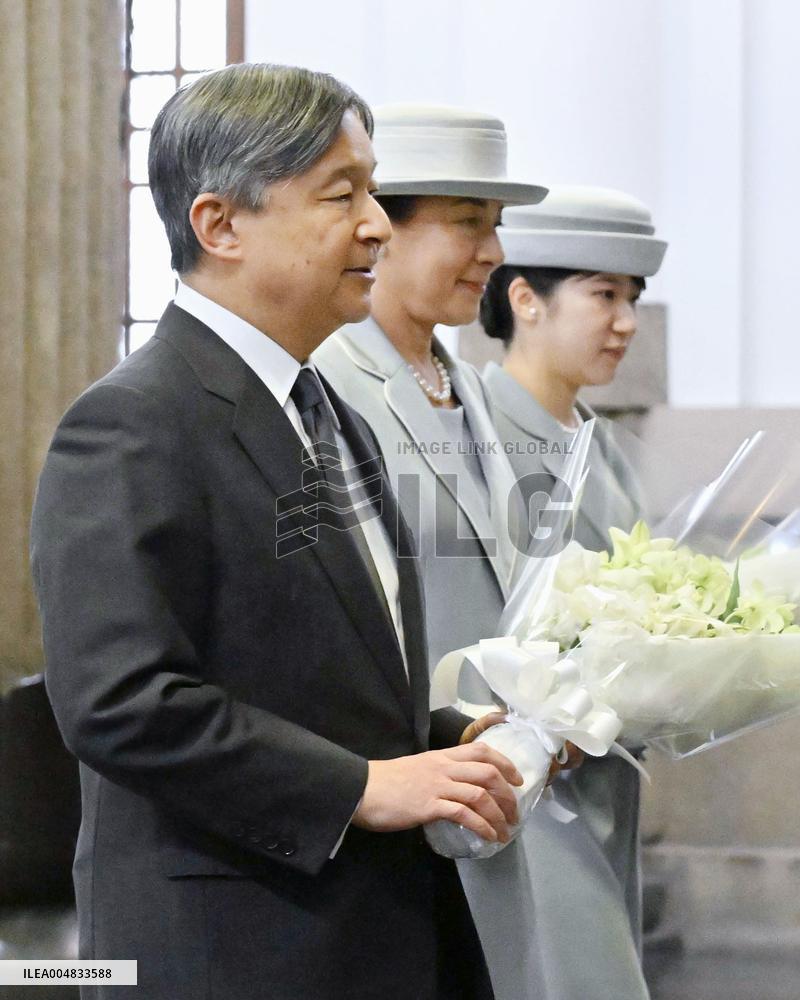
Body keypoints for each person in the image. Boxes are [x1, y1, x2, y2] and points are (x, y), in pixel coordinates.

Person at [29, 65, 525, 1000]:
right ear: (219, 226)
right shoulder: (135, 422)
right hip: (231, 945)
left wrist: (445, 740)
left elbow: (308, 666)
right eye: (343, 194)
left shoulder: (327, 408)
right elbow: (119, 699)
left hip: (362, 932)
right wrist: (360, 789)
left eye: (372, 189)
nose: (377, 222)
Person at [316, 104, 574, 998]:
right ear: (383, 227)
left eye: (496, 226)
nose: (495, 252)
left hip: (492, 778)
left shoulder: (466, 383)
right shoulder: (329, 381)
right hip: (397, 783)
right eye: (468, 223)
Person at [480, 184, 668, 999]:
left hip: (600, 782)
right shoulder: (469, 437)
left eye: (630, 298)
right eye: (602, 295)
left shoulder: (608, 451)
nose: (624, 320)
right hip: (515, 787)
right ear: (525, 298)